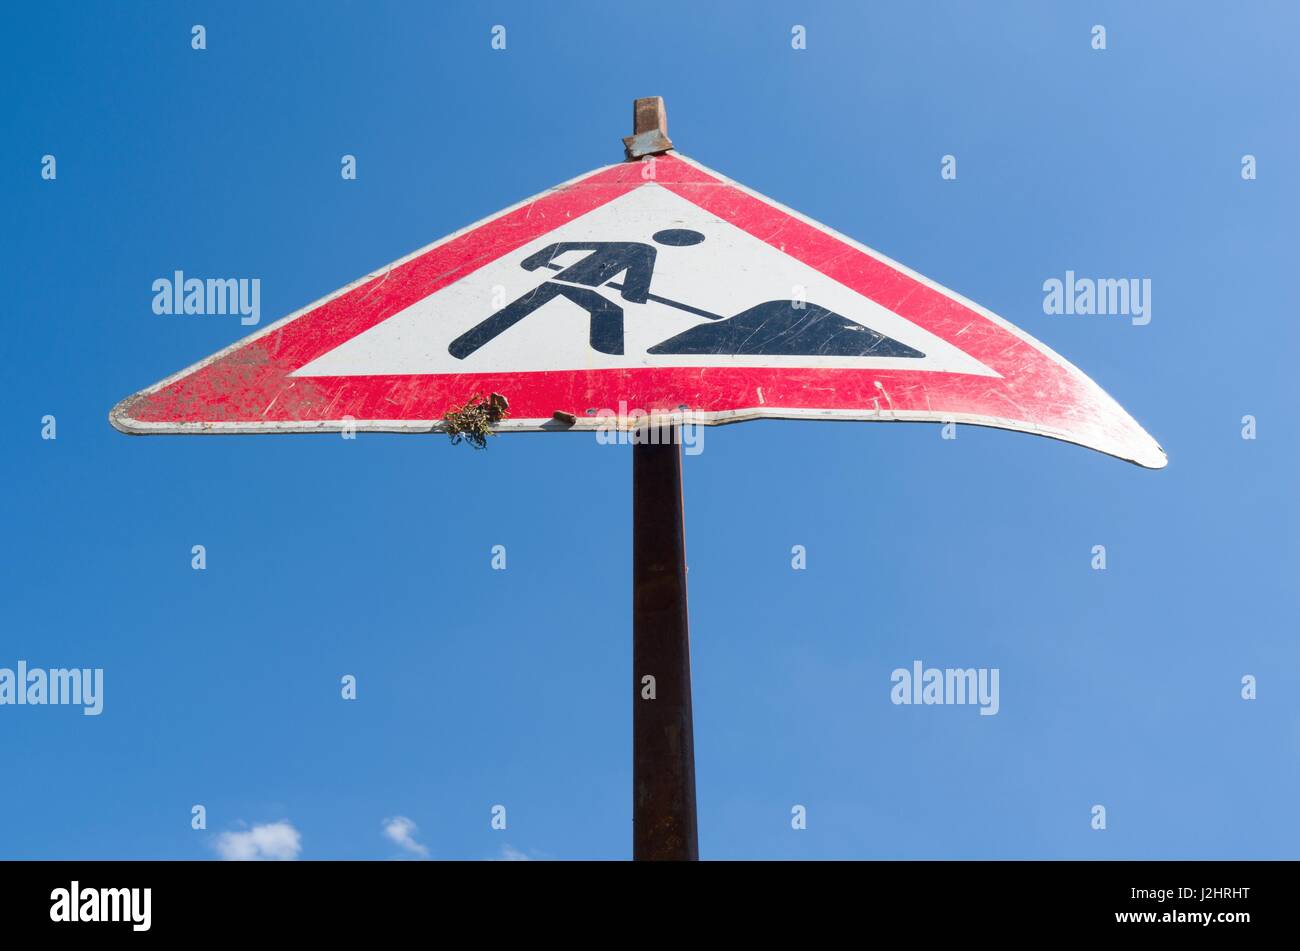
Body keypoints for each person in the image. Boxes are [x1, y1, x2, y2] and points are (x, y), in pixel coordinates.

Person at [448, 229, 705, 359]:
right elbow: (635, 287)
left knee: (519, 309)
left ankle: (463, 346)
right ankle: (611, 364)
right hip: (571, 283)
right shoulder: (643, 250)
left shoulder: (641, 249)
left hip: (567, 284)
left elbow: (565, 246)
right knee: (609, 313)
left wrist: (535, 261)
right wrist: (634, 296)